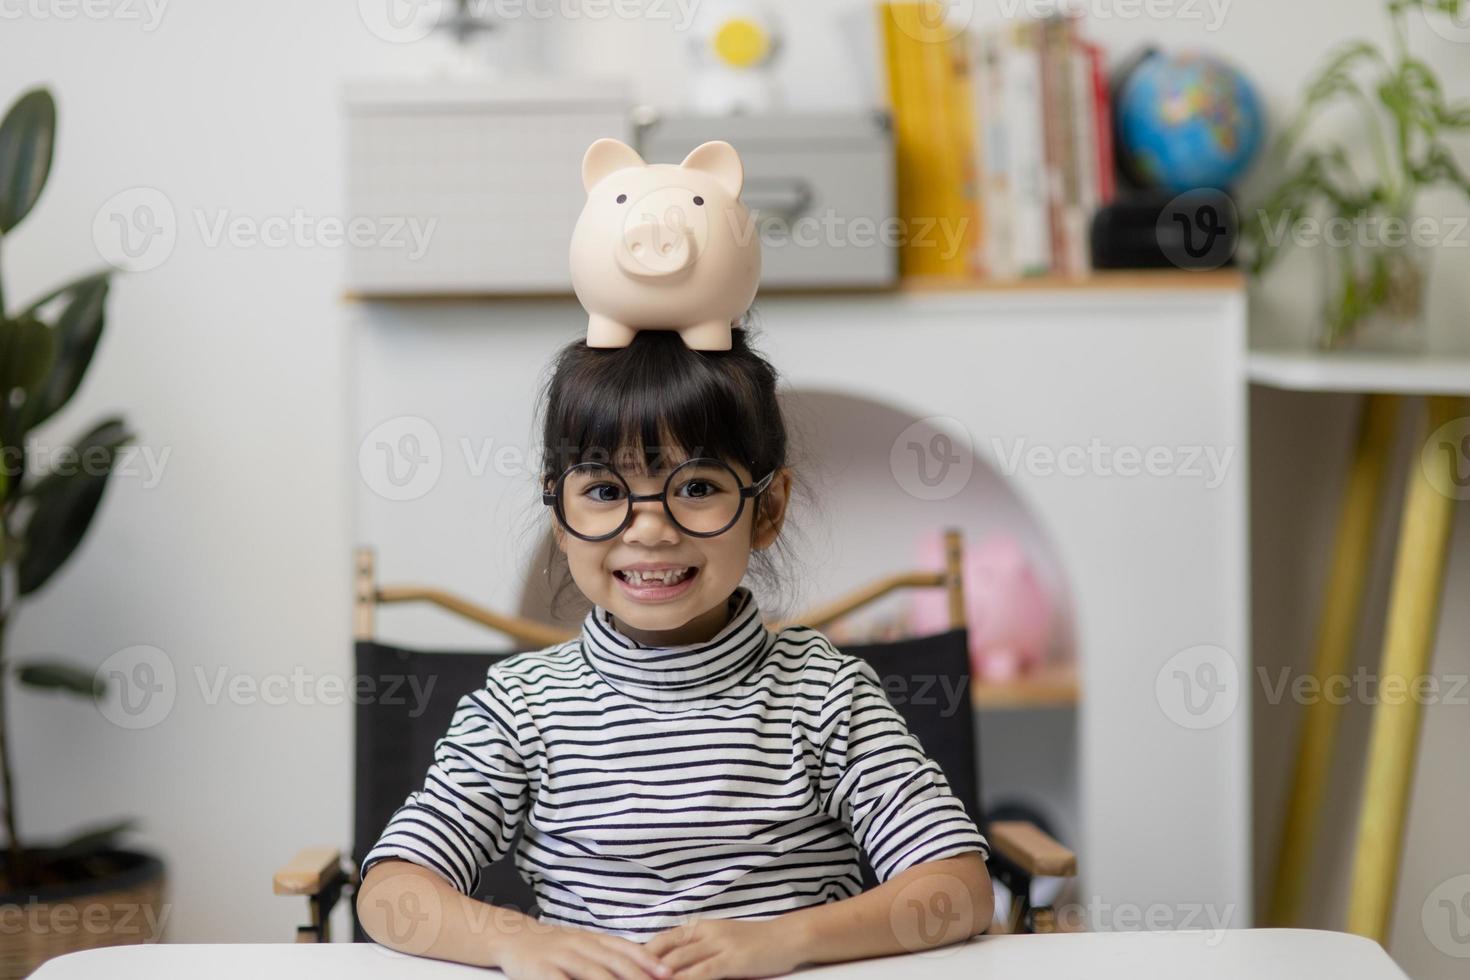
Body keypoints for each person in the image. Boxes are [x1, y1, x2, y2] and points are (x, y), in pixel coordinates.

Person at [356, 326, 993, 979]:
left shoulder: (827, 693)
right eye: (605, 491)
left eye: (696, 487)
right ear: (560, 515)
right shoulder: (519, 707)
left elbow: (960, 891)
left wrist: (785, 940)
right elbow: (388, 894)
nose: (651, 529)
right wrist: (514, 941)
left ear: (767, 507)